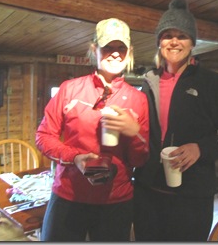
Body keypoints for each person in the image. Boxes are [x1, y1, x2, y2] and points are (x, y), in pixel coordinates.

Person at [133, 0, 218, 241]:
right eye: (167, 35)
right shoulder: (149, 81)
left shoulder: (212, 83)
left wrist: (201, 148)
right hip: (147, 191)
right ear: (159, 42)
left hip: (192, 196)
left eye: (182, 35)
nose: (174, 41)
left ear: (192, 43)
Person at [36, 18, 149, 241]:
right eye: (108, 47)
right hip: (69, 196)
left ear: (129, 52)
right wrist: (74, 157)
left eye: (121, 48)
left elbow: (139, 160)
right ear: (94, 49)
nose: (115, 54)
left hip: (115, 202)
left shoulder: (139, 99)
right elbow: (43, 137)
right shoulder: (70, 89)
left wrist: (134, 132)